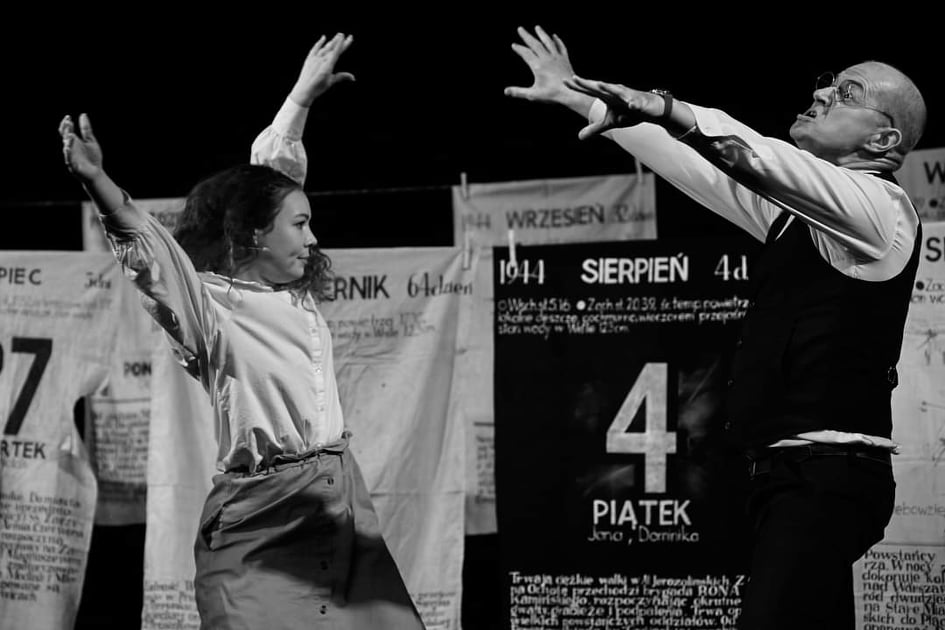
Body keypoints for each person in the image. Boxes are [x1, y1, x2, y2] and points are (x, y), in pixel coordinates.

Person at [505, 25, 926, 630]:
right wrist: (577, 95)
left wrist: (667, 105)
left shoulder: (883, 211)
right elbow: (700, 164)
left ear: (884, 140)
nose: (823, 94)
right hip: (786, 478)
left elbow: (752, 152)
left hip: (827, 481)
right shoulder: (797, 216)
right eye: (827, 85)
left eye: (847, 93)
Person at [60, 33, 425, 630]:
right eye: (300, 224)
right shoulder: (212, 312)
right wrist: (98, 184)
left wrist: (300, 97)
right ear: (257, 235)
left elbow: (270, 179)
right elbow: (154, 260)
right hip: (262, 521)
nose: (312, 237)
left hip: (338, 506)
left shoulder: (294, 291)